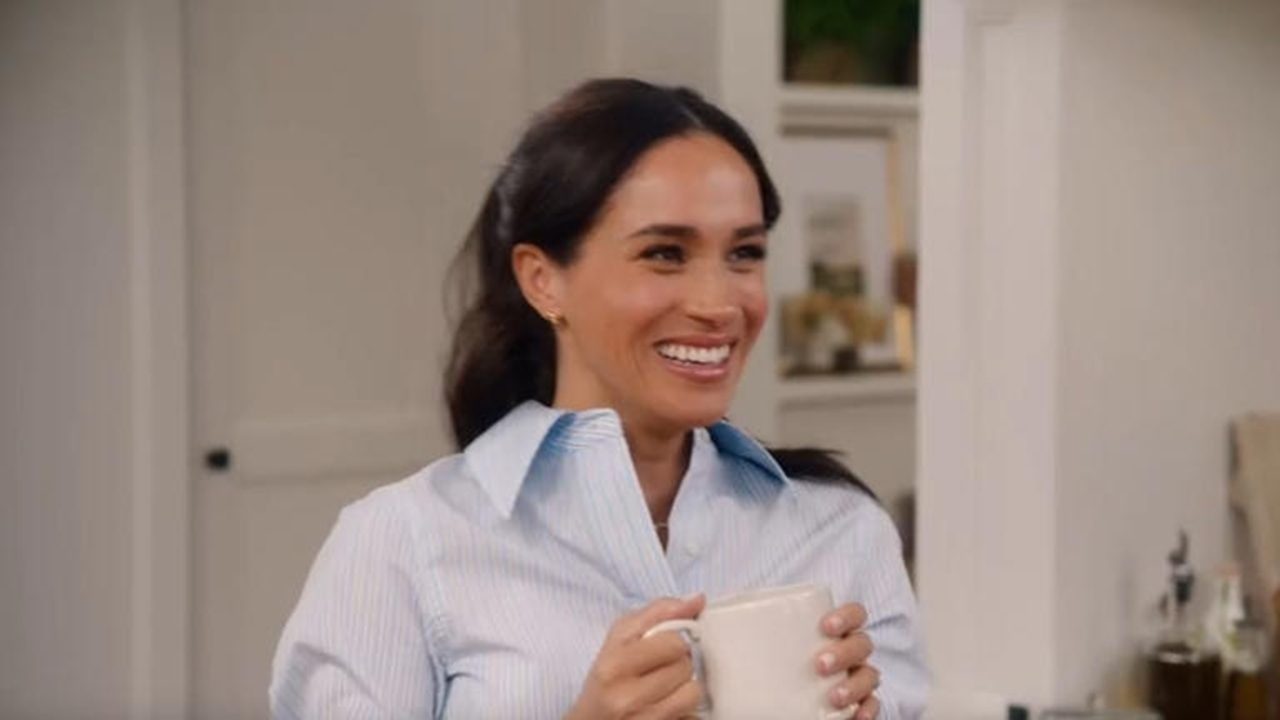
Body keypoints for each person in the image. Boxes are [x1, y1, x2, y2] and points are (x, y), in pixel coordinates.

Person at [271, 78, 928, 719]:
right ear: (543, 281)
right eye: (665, 253)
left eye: (744, 253)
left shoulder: (840, 531)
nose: (719, 303)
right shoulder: (402, 543)